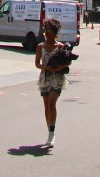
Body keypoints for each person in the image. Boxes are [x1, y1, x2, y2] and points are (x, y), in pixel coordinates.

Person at [35, 16, 70, 147]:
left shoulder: (60, 46)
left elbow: (68, 62)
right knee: (46, 105)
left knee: (51, 103)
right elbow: (37, 63)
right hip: (45, 77)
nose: (47, 33)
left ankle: (52, 132)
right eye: (46, 30)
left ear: (55, 32)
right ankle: (50, 131)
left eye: (50, 31)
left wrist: (60, 67)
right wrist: (45, 68)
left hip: (57, 78)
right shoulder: (40, 46)